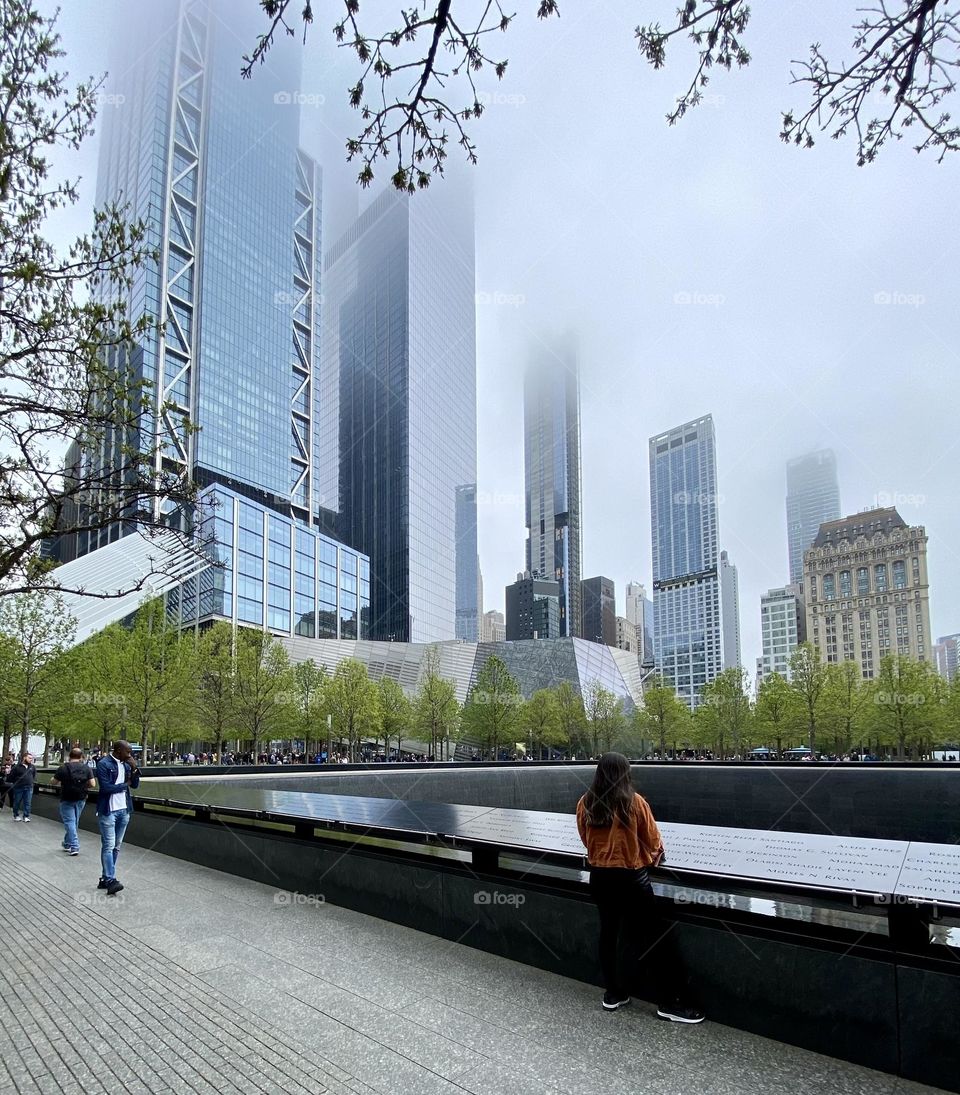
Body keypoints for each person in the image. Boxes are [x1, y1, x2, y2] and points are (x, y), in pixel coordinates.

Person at [576, 751, 704, 1024]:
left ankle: (613, 993)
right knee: (654, 940)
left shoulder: (586, 803)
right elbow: (653, 839)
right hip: (631, 880)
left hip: (599, 878)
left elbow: (586, 840)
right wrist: (653, 857)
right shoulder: (634, 803)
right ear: (625, 773)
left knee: (608, 934)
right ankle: (668, 1003)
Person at [95, 740, 141, 896]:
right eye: (128, 752)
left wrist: (135, 769)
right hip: (108, 811)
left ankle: (105, 878)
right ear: (118, 750)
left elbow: (134, 786)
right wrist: (124, 784)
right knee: (108, 845)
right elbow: (106, 787)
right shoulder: (103, 764)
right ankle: (110, 879)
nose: (130, 755)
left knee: (116, 846)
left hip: (124, 810)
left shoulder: (127, 764)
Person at [52, 747, 96, 855]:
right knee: (74, 821)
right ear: (81, 757)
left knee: (70, 822)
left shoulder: (63, 768)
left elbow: (54, 782)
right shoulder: (86, 768)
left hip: (66, 798)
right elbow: (93, 784)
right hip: (81, 798)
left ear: (69, 756)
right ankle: (67, 843)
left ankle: (74, 846)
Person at [8, 752, 37, 822]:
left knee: (28, 802)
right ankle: (16, 815)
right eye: (29, 758)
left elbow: (34, 775)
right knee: (17, 802)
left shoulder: (32, 767)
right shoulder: (16, 767)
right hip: (19, 787)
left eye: (32, 758)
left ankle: (26, 816)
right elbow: (11, 777)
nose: (31, 760)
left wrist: (31, 782)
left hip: (29, 787)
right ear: (24, 758)